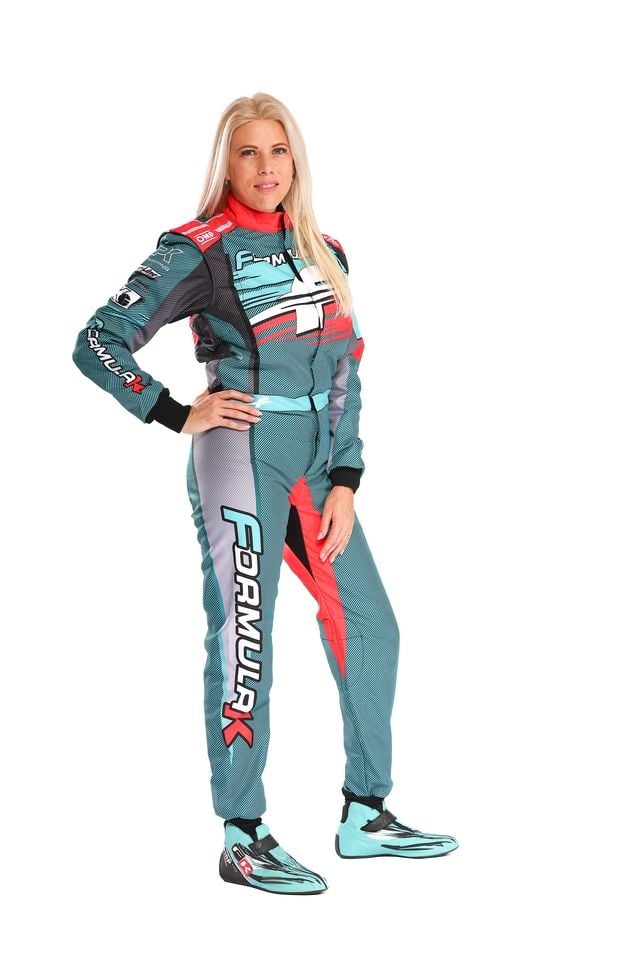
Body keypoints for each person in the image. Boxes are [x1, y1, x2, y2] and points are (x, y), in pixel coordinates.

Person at [72, 92, 458, 896]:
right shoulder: (197, 249)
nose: (266, 166)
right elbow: (98, 339)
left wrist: (346, 477)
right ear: (227, 162)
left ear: (296, 159)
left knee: (370, 625)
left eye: (278, 149)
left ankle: (365, 814)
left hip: (317, 468)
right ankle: (243, 833)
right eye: (248, 151)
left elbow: (346, 371)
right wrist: (175, 411)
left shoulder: (326, 250)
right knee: (246, 636)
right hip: (240, 454)